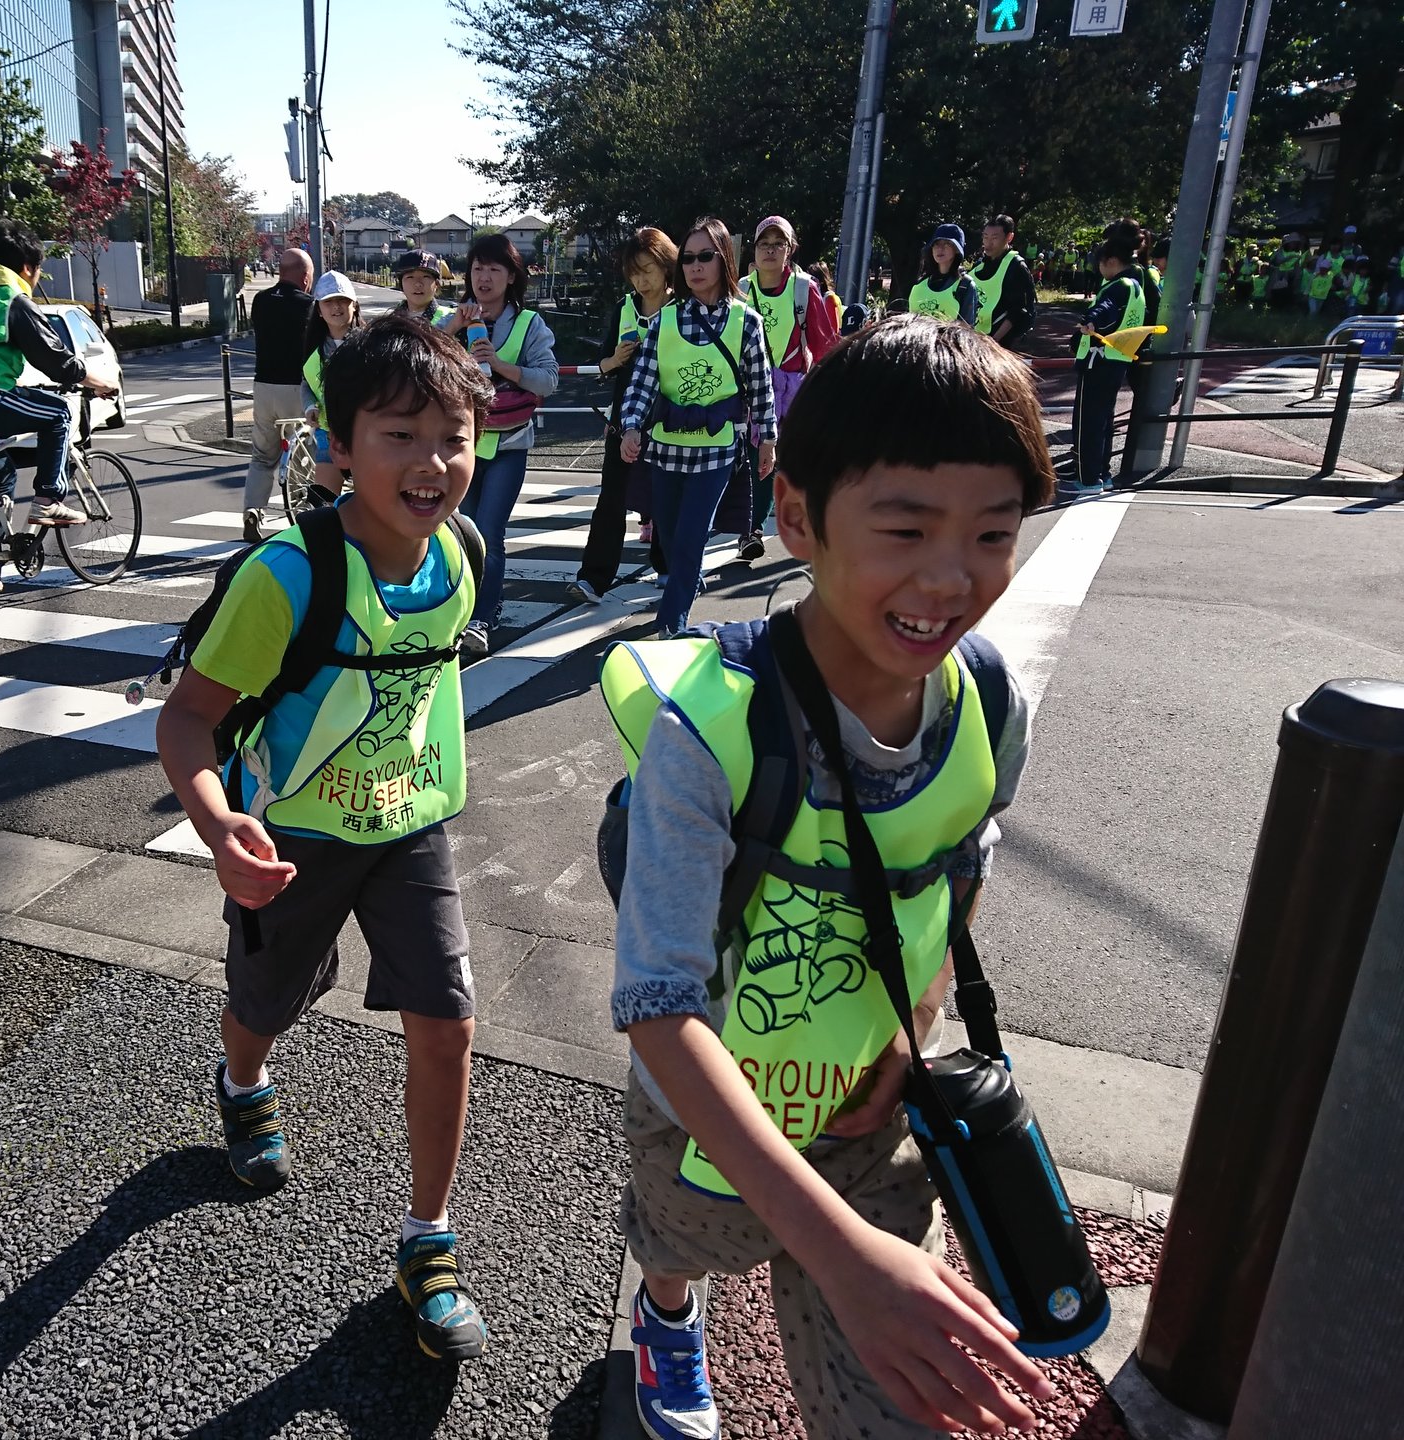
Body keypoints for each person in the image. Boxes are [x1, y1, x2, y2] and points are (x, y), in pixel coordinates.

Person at [611, 312, 1057, 1440]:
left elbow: (964, 863)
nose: (951, 579)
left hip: (874, 1107)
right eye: (906, 529)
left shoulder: (987, 704)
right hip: (704, 1123)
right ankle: (667, 1318)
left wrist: (914, 1024)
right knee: (677, 1247)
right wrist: (841, 1258)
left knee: (900, 1404)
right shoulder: (712, 731)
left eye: (994, 534)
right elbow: (659, 1003)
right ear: (799, 517)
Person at [155, 313, 494, 1363]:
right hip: (293, 837)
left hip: (411, 825)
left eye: (454, 435)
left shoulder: (463, 555)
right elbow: (186, 720)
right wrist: (220, 828)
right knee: (267, 1007)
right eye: (400, 436)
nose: (432, 464)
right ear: (339, 446)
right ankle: (243, 1082)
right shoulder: (288, 577)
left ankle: (426, 1241)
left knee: (448, 1020)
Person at [618, 216, 778, 638]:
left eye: (705, 256)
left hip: (717, 448)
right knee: (670, 541)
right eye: (687, 258)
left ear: (723, 259)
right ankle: (685, 587)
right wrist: (631, 427)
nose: (694, 266)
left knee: (689, 540)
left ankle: (671, 629)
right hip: (665, 448)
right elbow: (642, 383)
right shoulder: (663, 321)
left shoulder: (747, 321)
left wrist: (768, 440)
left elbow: (761, 387)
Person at [0, 220, 119, 530]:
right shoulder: (11, 301)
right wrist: (102, 383)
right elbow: (57, 361)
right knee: (58, 413)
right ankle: (48, 502)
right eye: (36, 271)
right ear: (26, 268)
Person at [453, 233, 559, 656]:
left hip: (509, 445)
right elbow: (419, 354)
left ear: (511, 275)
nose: (484, 276)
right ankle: (462, 610)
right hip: (460, 444)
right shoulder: (456, 318)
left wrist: (499, 364)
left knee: (489, 531)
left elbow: (548, 380)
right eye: (478, 267)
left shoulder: (530, 324)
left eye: (494, 268)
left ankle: (482, 616)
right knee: (462, 534)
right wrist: (451, 328)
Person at [572, 226, 676, 605]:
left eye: (648, 269)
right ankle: (593, 577)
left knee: (666, 495)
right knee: (611, 498)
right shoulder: (624, 308)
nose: (641, 279)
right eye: (634, 272)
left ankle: (667, 566)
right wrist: (614, 360)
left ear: (667, 266)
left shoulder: (685, 307)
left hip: (670, 419)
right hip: (624, 419)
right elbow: (602, 363)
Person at [736, 216, 838, 560]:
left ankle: (813, 520)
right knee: (758, 459)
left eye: (777, 244)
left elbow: (824, 343)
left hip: (793, 389)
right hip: (752, 387)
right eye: (763, 243)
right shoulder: (742, 288)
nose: (769, 250)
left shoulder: (803, 287)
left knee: (794, 461)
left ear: (789, 249)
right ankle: (751, 530)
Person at [1064, 219, 1151, 501]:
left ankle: (1087, 478)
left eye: (1100, 263)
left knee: (1088, 420)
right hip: (1117, 360)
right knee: (1103, 419)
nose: (1098, 269)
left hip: (1097, 359)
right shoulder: (1136, 285)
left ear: (1111, 261)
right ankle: (1102, 474)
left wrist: (1089, 322)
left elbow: (1104, 310)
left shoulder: (1116, 286)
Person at [243, 247, 317, 543]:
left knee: (262, 456)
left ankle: (252, 510)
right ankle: (305, 513)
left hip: (263, 388)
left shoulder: (260, 301)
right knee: (308, 453)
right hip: (296, 388)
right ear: (305, 277)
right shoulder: (310, 305)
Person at [302, 270, 363, 502]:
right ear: (319, 309)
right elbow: (306, 383)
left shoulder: (369, 342)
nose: (336, 307)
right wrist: (309, 407)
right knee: (323, 505)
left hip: (364, 435)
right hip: (328, 434)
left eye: (342, 301)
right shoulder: (313, 348)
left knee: (371, 504)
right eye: (329, 302)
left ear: (354, 305)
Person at [972, 214, 1037, 350]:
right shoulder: (979, 265)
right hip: (975, 340)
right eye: (985, 237)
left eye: (994, 238)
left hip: (1000, 345)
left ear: (1009, 237)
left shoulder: (1016, 267)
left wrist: (993, 342)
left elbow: (1018, 311)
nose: (988, 243)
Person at [906, 225, 978, 326]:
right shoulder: (919, 284)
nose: (940, 248)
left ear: (957, 249)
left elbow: (967, 329)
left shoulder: (965, 286)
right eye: (936, 244)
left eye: (947, 244)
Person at [391, 250, 455, 329]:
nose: (418, 283)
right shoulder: (390, 321)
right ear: (401, 284)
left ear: (436, 284)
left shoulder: (452, 319)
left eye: (425, 277)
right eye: (410, 277)